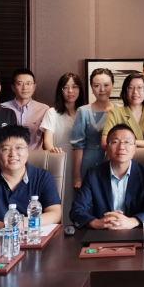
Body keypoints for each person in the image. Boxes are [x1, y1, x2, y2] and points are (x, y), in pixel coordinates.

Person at [70, 124, 144, 229]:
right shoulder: (93, 174)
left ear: (134, 149)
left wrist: (133, 221)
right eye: (115, 142)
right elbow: (77, 210)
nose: (121, 147)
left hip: (135, 232)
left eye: (127, 142)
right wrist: (96, 223)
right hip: (103, 232)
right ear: (107, 148)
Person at [40, 72, 85, 226]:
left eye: (74, 87)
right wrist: (53, 150)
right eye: (65, 87)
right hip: (62, 160)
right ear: (60, 90)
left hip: (83, 159)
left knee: (83, 197)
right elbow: (47, 141)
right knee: (63, 197)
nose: (70, 91)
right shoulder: (52, 113)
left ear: (80, 89)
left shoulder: (85, 111)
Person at [70, 68, 116, 190]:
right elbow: (78, 147)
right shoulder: (83, 111)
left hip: (113, 164)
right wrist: (77, 176)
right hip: (88, 164)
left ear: (112, 85)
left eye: (106, 85)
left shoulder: (120, 110)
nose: (102, 89)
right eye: (97, 85)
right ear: (91, 87)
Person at [102, 73, 144, 148]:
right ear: (125, 90)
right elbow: (104, 142)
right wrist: (142, 143)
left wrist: (124, 141)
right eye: (130, 87)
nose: (135, 92)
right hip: (122, 155)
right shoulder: (115, 113)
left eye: (139, 87)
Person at [2, 69, 50, 150]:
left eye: (29, 83)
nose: (24, 88)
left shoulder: (44, 110)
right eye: (20, 84)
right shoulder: (2, 108)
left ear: (34, 87)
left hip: (35, 155)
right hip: (10, 155)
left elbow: (49, 139)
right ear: (13, 87)